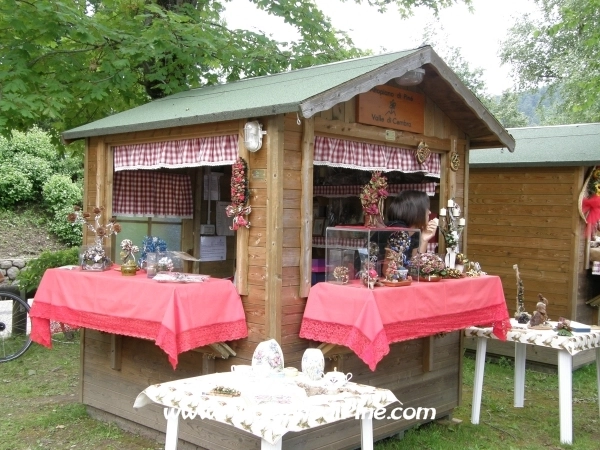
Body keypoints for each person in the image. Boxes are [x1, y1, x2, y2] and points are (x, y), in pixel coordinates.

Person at [386, 190, 439, 257]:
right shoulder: (399, 231)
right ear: (416, 211)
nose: (429, 212)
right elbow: (391, 263)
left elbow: (415, 261)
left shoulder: (413, 232)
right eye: (426, 208)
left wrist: (424, 238)